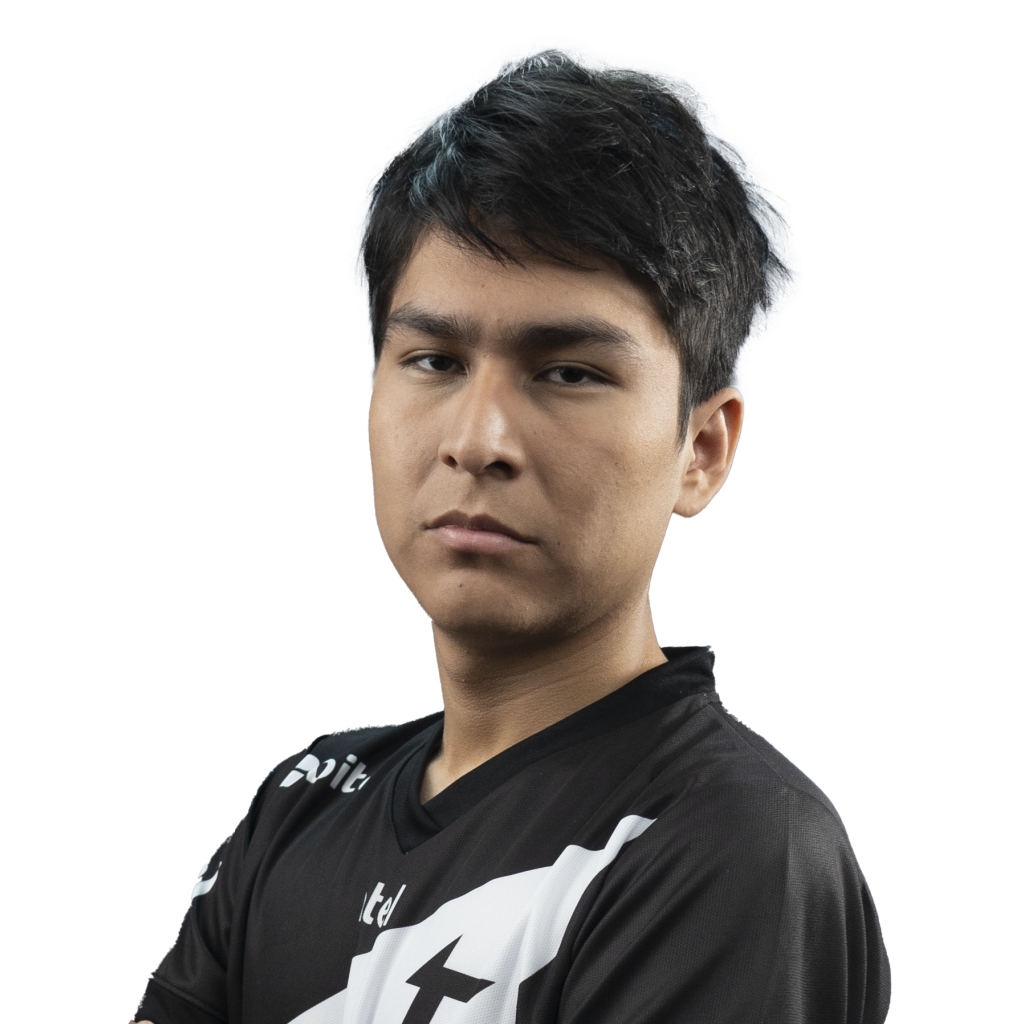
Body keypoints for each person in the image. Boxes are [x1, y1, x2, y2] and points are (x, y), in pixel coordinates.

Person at [132, 47, 890, 1023]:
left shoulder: (731, 843)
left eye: (568, 372)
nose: (477, 440)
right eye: (434, 359)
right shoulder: (302, 803)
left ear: (701, 450)